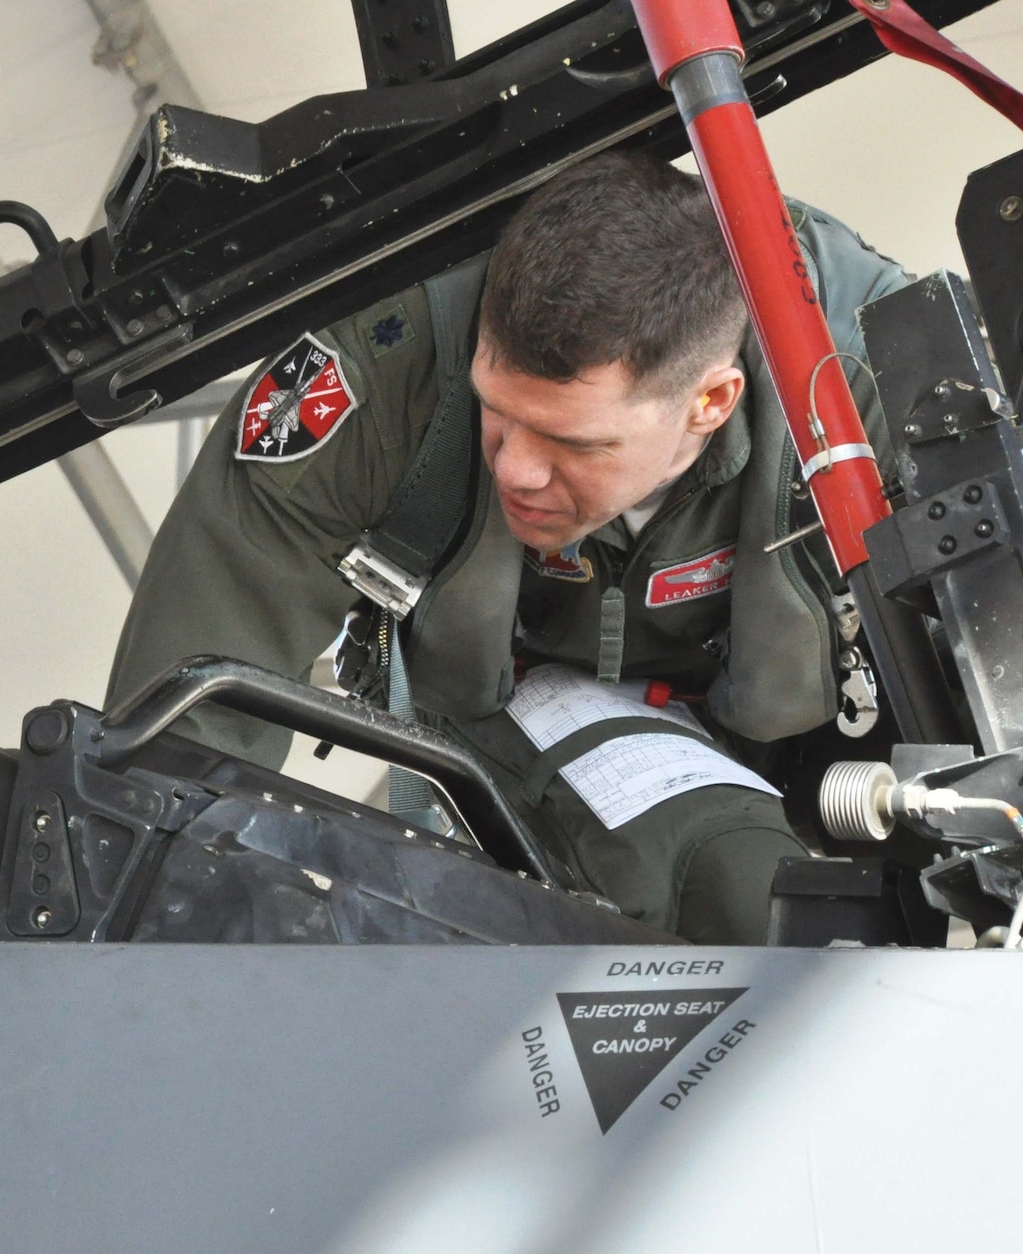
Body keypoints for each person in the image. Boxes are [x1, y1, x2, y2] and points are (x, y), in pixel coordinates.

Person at [106, 152, 910, 944]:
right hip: (510, 690)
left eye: (572, 441)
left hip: (821, 714)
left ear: (710, 401)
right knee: (729, 885)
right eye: (498, 410)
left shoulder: (879, 371)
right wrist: (177, 925)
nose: (517, 469)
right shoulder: (388, 370)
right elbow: (191, 715)